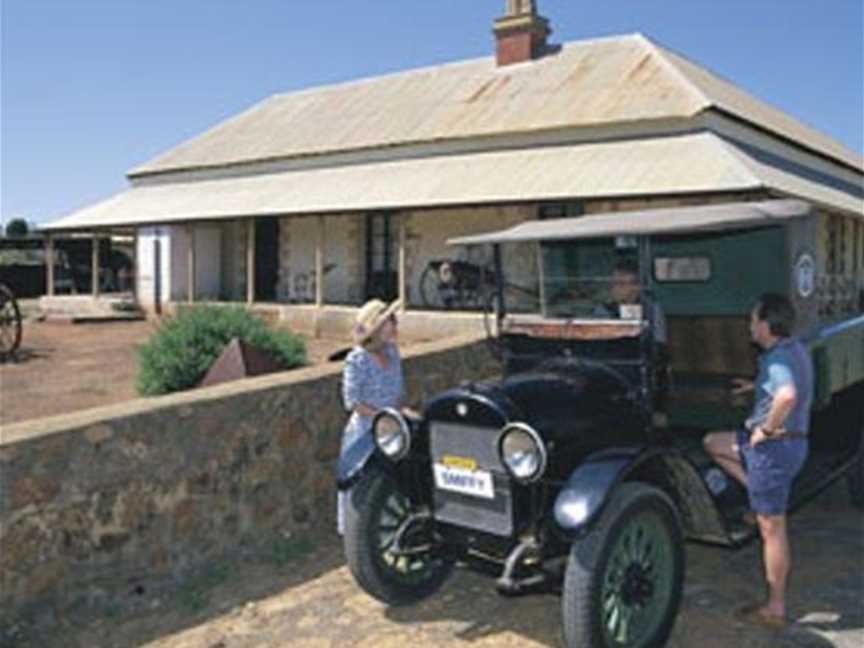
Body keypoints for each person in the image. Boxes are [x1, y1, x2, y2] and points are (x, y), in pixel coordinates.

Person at [703, 293, 813, 630]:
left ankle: (774, 608)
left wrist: (766, 429)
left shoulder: (777, 360)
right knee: (713, 443)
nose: (750, 326)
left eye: (753, 320)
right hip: (791, 446)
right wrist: (756, 387)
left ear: (766, 324)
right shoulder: (792, 349)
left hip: (772, 450)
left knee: (773, 530)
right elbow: (785, 386)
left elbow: (788, 395)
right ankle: (756, 494)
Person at [337, 298, 415, 534]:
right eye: (390, 321)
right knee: (361, 487)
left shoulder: (393, 353)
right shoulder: (357, 359)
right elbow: (353, 402)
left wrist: (402, 413)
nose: (394, 325)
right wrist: (383, 417)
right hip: (366, 431)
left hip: (392, 430)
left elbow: (398, 393)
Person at [594, 259, 667, 345]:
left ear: (636, 287)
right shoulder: (603, 309)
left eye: (620, 283)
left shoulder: (651, 308)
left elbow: (659, 341)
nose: (614, 288)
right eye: (613, 283)